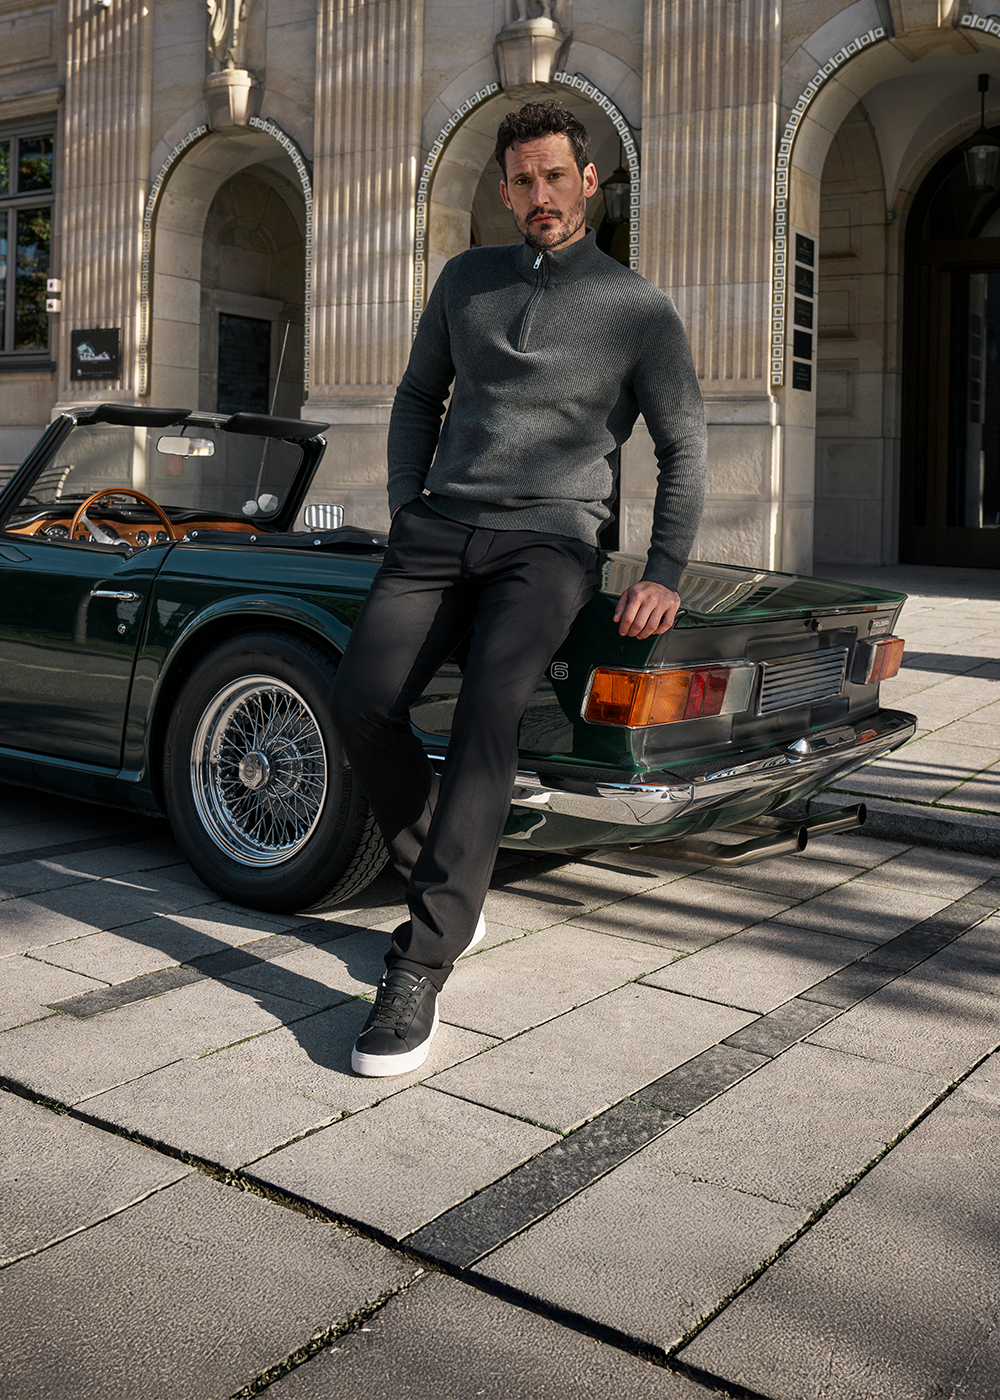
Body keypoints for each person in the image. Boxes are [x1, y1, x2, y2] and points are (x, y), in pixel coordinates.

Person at [330, 100, 707, 1077]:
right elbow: (419, 393)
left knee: (491, 709)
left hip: (549, 541)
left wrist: (663, 570)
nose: (539, 195)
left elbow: (683, 444)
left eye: (555, 176)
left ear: (589, 181)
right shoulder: (464, 280)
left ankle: (420, 958)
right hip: (440, 527)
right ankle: (446, 872)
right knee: (362, 698)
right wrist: (408, 502)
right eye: (522, 181)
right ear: (503, 191)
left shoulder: (638, 309)